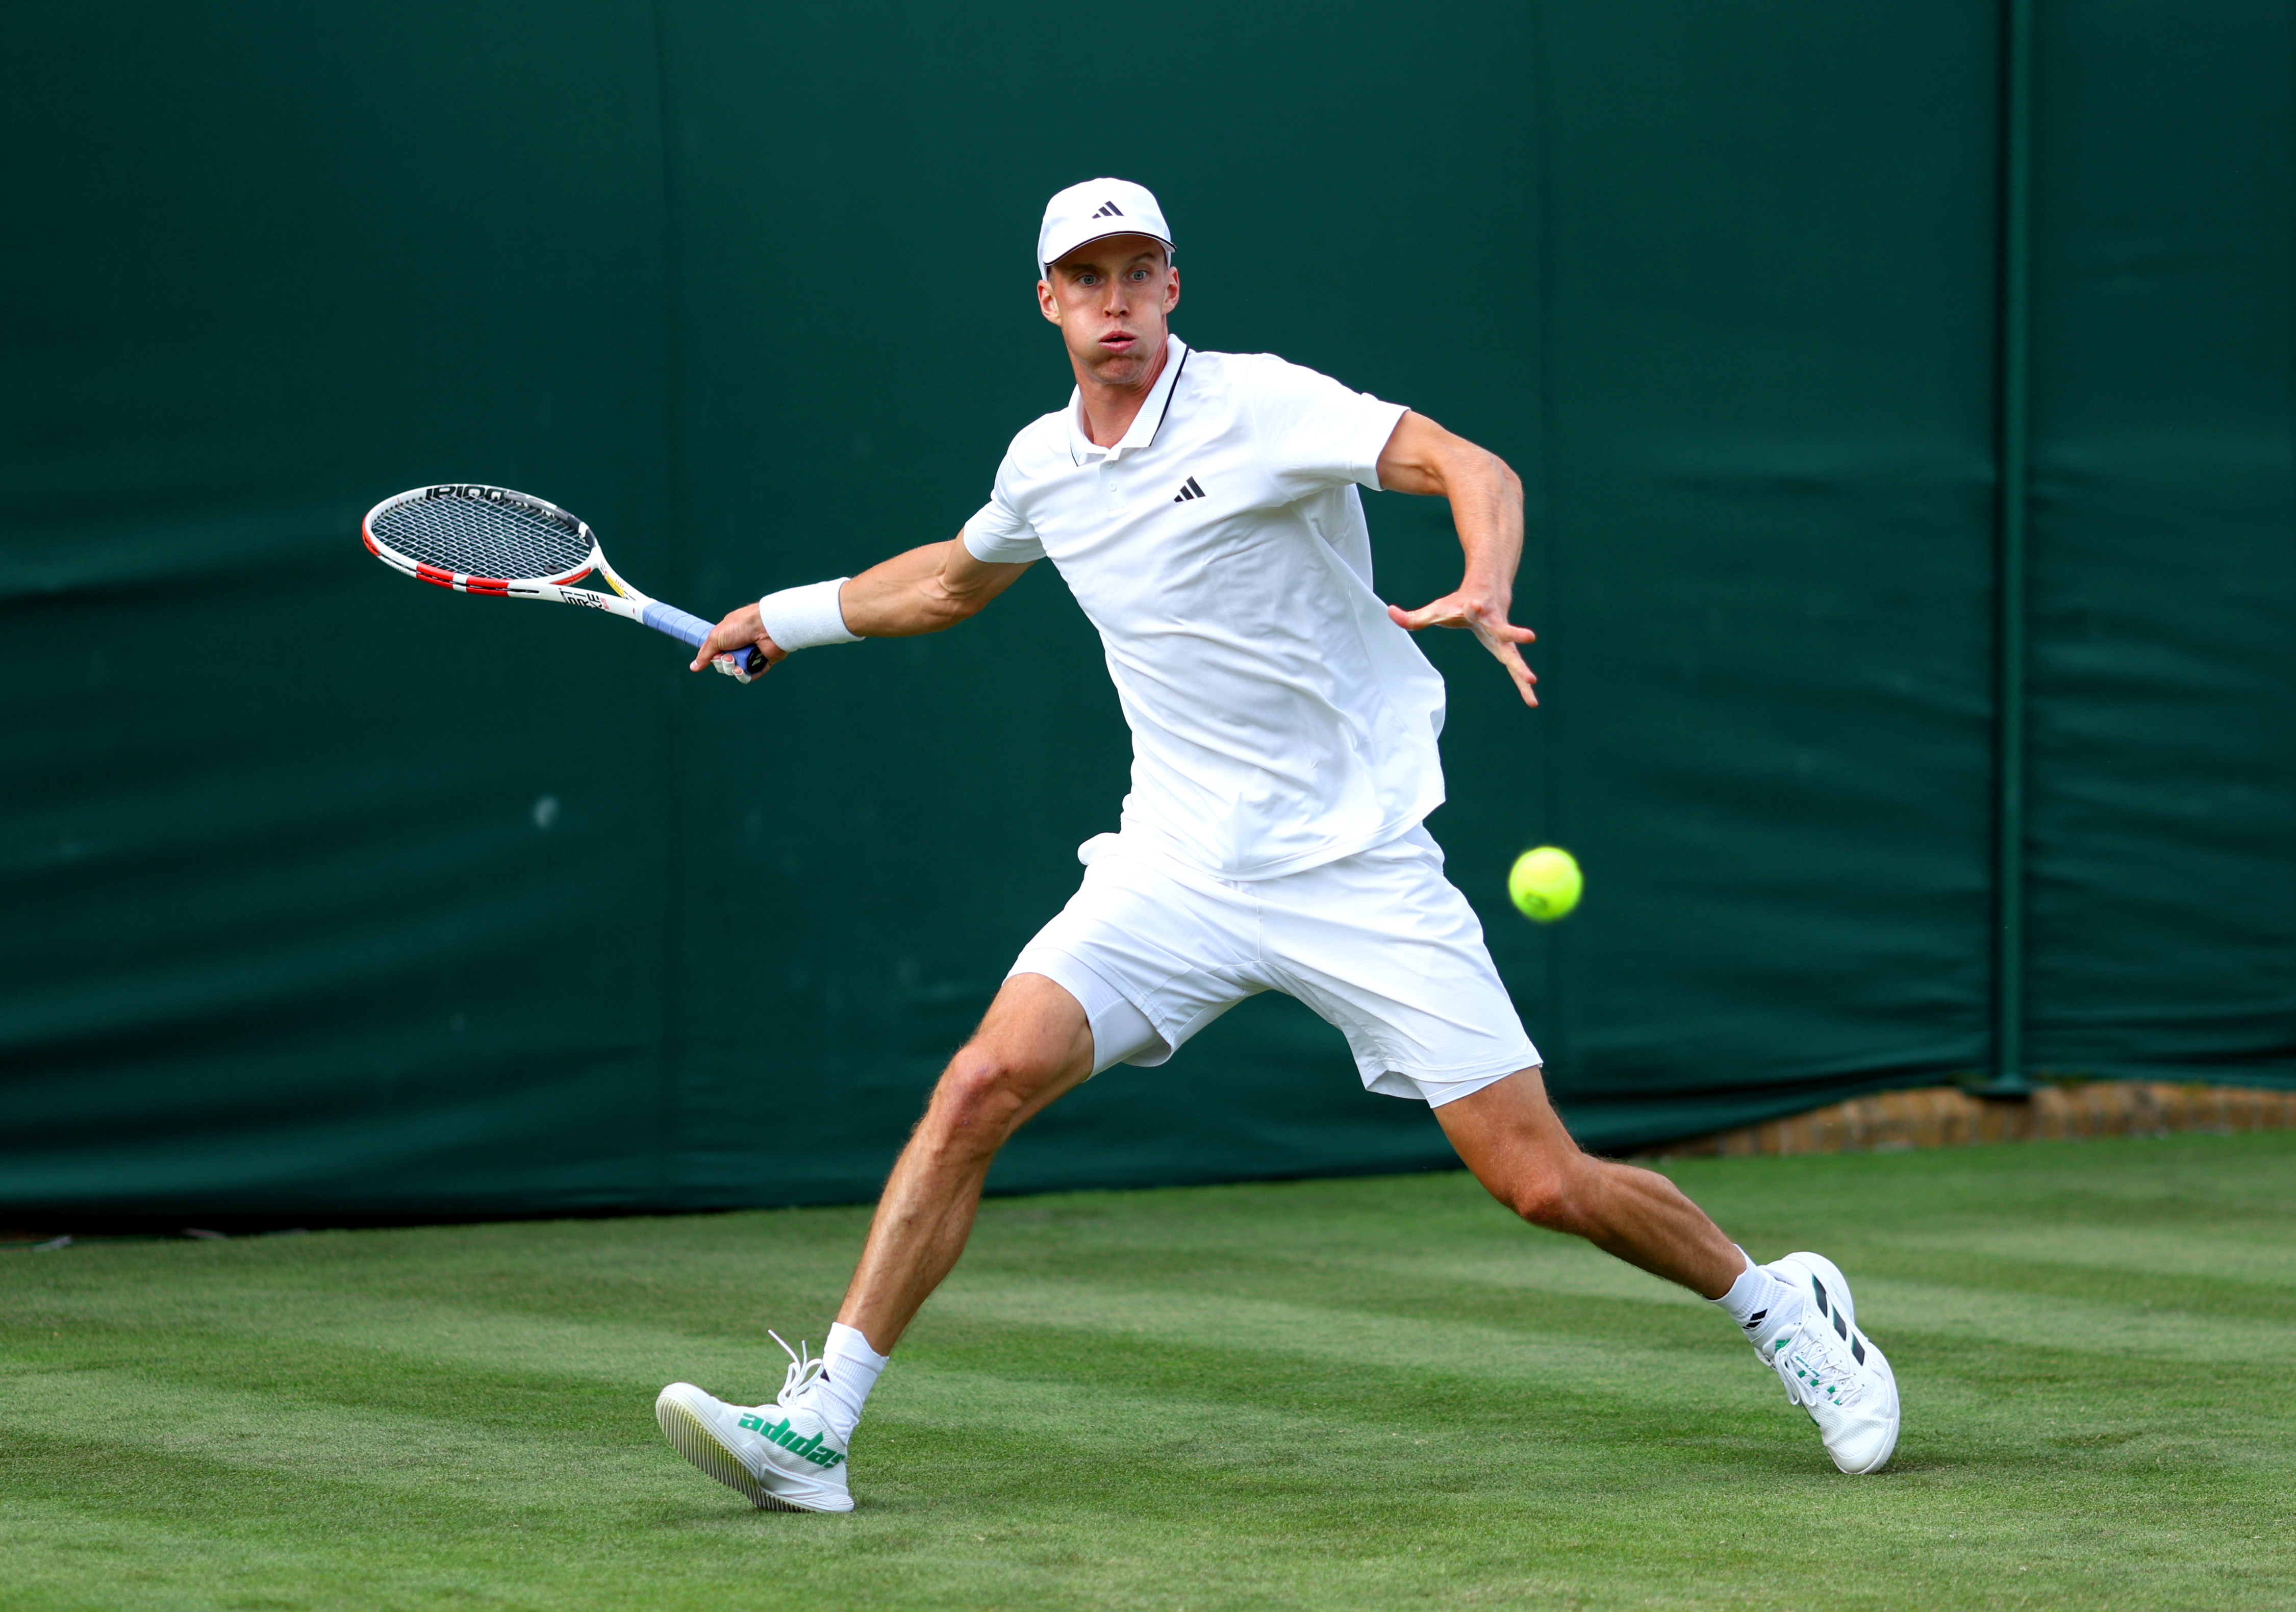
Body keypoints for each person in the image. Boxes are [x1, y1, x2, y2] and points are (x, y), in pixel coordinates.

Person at [652, 179, 1900, 1514]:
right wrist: (784, 617)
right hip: (1174, 869)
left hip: (1353, 865)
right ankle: (822, 1427)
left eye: (1139, 274)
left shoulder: (1263, 405)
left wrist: (1486, 574)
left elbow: (1475, 466)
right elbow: (954, 580)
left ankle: (1784, 1311)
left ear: (1174, 286)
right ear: (1049, 303)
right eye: (1089, 279)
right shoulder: (1041, 466)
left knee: (1542, 1183)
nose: (1116, 301)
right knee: (978, 1087)